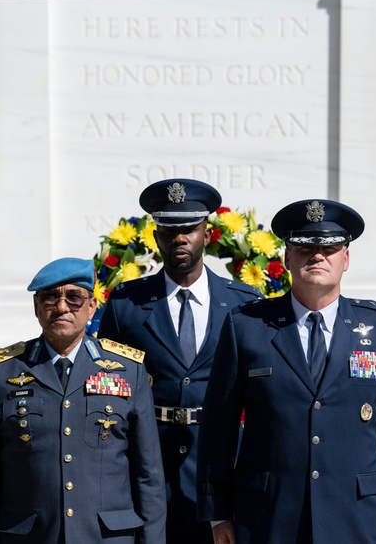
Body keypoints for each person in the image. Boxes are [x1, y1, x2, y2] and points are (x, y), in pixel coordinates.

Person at [197, 199, 376, 544]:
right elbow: (218, 427)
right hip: (268, 513)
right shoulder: (248, 327)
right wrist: (217, 511)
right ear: (287, 258)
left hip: (355, 511)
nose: (317, 256)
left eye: (330, 248)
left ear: (345, 260)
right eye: (304, 248)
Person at [98, 179, 260, 544]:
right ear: (156, 237)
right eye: (169, 231)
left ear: (207, 233)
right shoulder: (126, 306)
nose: (179, 239)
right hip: (150, 464)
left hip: (221, 463)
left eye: (189, 229)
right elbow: (107, 391)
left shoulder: (244, 304)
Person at [0, 257, 167, 544]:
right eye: (50, 298)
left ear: (91, 306)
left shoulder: (129, 371)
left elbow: (149, 477)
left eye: (74, 297)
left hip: (106, 537)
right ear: (36, 307)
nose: (62, 307)